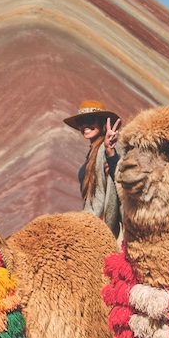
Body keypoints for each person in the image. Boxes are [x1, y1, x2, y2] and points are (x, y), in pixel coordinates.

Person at [63, 99, 122, 238]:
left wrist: (111, 154)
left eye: (90, 119)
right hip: (93, 220)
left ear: (101, 122)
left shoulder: (110, 148)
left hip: (107, 224)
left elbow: (121, 180)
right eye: (80, 122)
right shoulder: (92, 153)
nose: (85, 125)